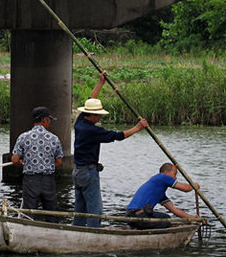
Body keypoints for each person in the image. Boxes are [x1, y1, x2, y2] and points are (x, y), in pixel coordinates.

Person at [72, 72, 149, 228]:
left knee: (80, 208)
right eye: (98, 115)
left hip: (78, 172)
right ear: (92, 115)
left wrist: (101, 82)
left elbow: (90, 99)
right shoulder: (91, 131)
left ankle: (76, 229)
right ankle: (93, 234)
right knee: (95, 210)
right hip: (87, 172)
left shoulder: (80, 121)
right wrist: (137, 128)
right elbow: (118, 136)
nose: (100, 117)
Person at [10, 106, 64, 223]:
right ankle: (53, 233)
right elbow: (59, 161)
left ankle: (27, 234)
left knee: (28, 214)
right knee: (51, 213)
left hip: (30, 180)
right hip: (48, 180)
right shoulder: (54, 138)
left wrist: (22, 163)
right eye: (49, 120)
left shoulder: (23, 137)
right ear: (45, 120)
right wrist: (48, 166)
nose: (49, 122)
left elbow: (14, 159)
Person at [125, 162, 200, 229]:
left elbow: (174, 210)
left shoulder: (159, 193)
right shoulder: (162, 177)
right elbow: (186, 188)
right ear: (166, 173)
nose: (175, 178)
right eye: (174, 174)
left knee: (165, 218)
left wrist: (191, 218)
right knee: (165, 219)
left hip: (131, 216)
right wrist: (194, 185)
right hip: (136, 214)